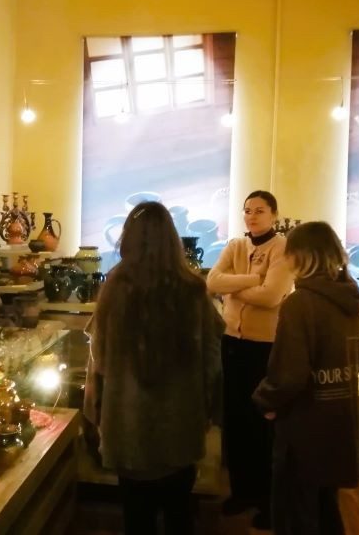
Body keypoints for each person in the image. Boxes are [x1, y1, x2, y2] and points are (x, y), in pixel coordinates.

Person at [83, 201, 224, 535]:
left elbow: (99, 359)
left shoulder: (115, 288)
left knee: (137, 518)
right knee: (179, 514)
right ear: (172, 239)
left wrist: (95, 412)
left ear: (128, 238)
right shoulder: (193, 290)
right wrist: (209, 409)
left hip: (127, 424)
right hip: (180, 421)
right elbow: (212, 359)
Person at [252, 221, 359, 534]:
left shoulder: (300, 303)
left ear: (301, 256)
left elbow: (289, 374)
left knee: (295, 514)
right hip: (338, 418)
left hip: (303, 424)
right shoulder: (349, 297)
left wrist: (265, 400)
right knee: (326, 508)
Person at [206, 190, 294, 526]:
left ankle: (268, 500)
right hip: (232, 342)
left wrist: (234, 288)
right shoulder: (236, 246)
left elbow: (272, 296)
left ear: (273, 214)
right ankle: (241, 492)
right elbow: (213, 281)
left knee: (263, 423)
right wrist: (253, 280)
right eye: (247, 211)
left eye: (259, 210)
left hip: (265, 346)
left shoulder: (282, 248)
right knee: (236, 421)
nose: (252, 216)